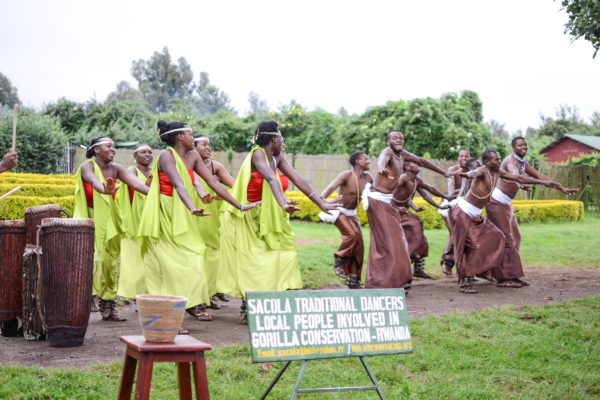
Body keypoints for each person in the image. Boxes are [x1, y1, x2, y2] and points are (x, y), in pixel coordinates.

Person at [137, 121, 259, 325]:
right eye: (190, 134)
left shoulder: (193, 156)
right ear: (180, 138)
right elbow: (178, 184)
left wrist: (239, 205)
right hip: (166, 212)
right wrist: (191, 206)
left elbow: (213, 182)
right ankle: (168, 317)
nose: (193, 138)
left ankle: (190, 305)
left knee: (196, 256)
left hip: (183, 212)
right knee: (171, 266)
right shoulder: (166, 156)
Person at [217, 120, 339, 323]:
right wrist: (283, 203)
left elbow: (300, 181)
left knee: (284, 255)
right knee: (255, 261)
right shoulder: (257, 153)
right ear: (274, 138)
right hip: (251, 216)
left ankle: (272, 298)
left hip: (272, 215)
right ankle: (250, 304)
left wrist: (321, 203)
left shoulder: (278, 158)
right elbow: (272, 180)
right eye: (281, 137)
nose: (283, 141)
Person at [453, 150, 562, 293]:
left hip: (476, 215)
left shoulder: (498, 172)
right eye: (495, 160)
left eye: (499, 159)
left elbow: (519, 178)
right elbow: (474, 174)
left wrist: (545, 182)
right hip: (463, 213)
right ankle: (465, 282)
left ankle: (483, 270)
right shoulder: (482, 170)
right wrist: (468, 174)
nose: (498, 162)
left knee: (497, 236)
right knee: (469, 246)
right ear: (486, 162)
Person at [362, 130, 452, 290]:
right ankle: (381, 282)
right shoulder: (388, 152)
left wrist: (443, 172)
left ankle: (396, 280)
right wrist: (381, 169)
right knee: (388, 242)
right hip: (377, 201)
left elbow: (422, 161)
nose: (399, 140)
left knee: (398, 241)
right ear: (388, 141)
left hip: (386, 203)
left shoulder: (403, 155)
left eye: (401, 138)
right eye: (395, 138)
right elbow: (382, 160)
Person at [74, 137, 149, 321]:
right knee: (94, 259)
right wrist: (104, 189)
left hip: (110, 221)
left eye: (114, 146)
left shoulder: (117, 169)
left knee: (111, 262)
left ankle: (108, 305)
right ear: (96, 149)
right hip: (90, 220)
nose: (113, 149)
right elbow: (94, 181)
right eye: (108, 146)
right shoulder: (87, 166)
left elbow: (137, 184)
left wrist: (156, 194)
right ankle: (87, 299)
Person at [486, 137, 578, 287]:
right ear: (513, 148)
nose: (524, 147)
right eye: (520, 145)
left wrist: (559, 187)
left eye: (525, 144)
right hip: (496, 203)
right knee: (507, 240)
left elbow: (538, 175)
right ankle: (505, 278)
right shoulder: (510, 161)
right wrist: (526, 183)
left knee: (516, 237)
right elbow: (518, 177)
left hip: (506, 204)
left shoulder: (522, 162)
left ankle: (508, 274)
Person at [192, 134, 235, 311]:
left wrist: (221, 191)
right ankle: (197, 295)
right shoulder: (184, 165)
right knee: (196, 254)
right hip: (191, 212)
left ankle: (208, 292)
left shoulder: (215, 167)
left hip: (211, 213)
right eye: (204, 144)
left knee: (213, 254)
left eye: (209, 145)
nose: (208, 148)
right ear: (192, 147)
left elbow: (235, 185)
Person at [392, 161, 455, 280]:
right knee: (415, 224)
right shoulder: (403, 178)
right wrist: (396, 207)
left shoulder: (416, 180)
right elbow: (389, 192)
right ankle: (409, 261)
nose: (418, 165)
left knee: (418, 230)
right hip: (393, 211)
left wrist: (441, 203)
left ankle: (418, 267)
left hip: (403, 211)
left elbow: (427, 193)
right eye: (414, 163)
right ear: (407, 167)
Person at [319, 151, 372, 288]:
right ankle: (339, 259)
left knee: (359, 246)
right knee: (352, 235)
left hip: (352, 214)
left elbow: (379, 190)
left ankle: (353, 280)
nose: (369, 161)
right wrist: (322, 201)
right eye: (366, 158)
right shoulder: (346, 175)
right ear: (357, 161)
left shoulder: (368, 178)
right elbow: (330, 187)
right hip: (340, 211)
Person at [116, 144, 153, 300]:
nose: (147, 154)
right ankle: (134, 294)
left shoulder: (155, 173)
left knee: (149, 262)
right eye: (143, 152)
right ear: (135, 156)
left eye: (150, 152)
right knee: (133, 260)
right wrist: (151, 187)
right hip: (133, 223)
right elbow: (136, 184)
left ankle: (147, 295)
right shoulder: (131, 171)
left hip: (151, 221)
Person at [439, 149, 470, 275]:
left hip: (465, 205)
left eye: (466, 156)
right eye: (461, 156)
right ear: (458, 158)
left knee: (464, 234)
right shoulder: (453, 170)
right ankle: (447, 262)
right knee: (455, 233)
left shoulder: (472, 171)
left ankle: (460, 264)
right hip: (450, 204)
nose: (464, 158)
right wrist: (458, 195)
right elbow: (451, 190)